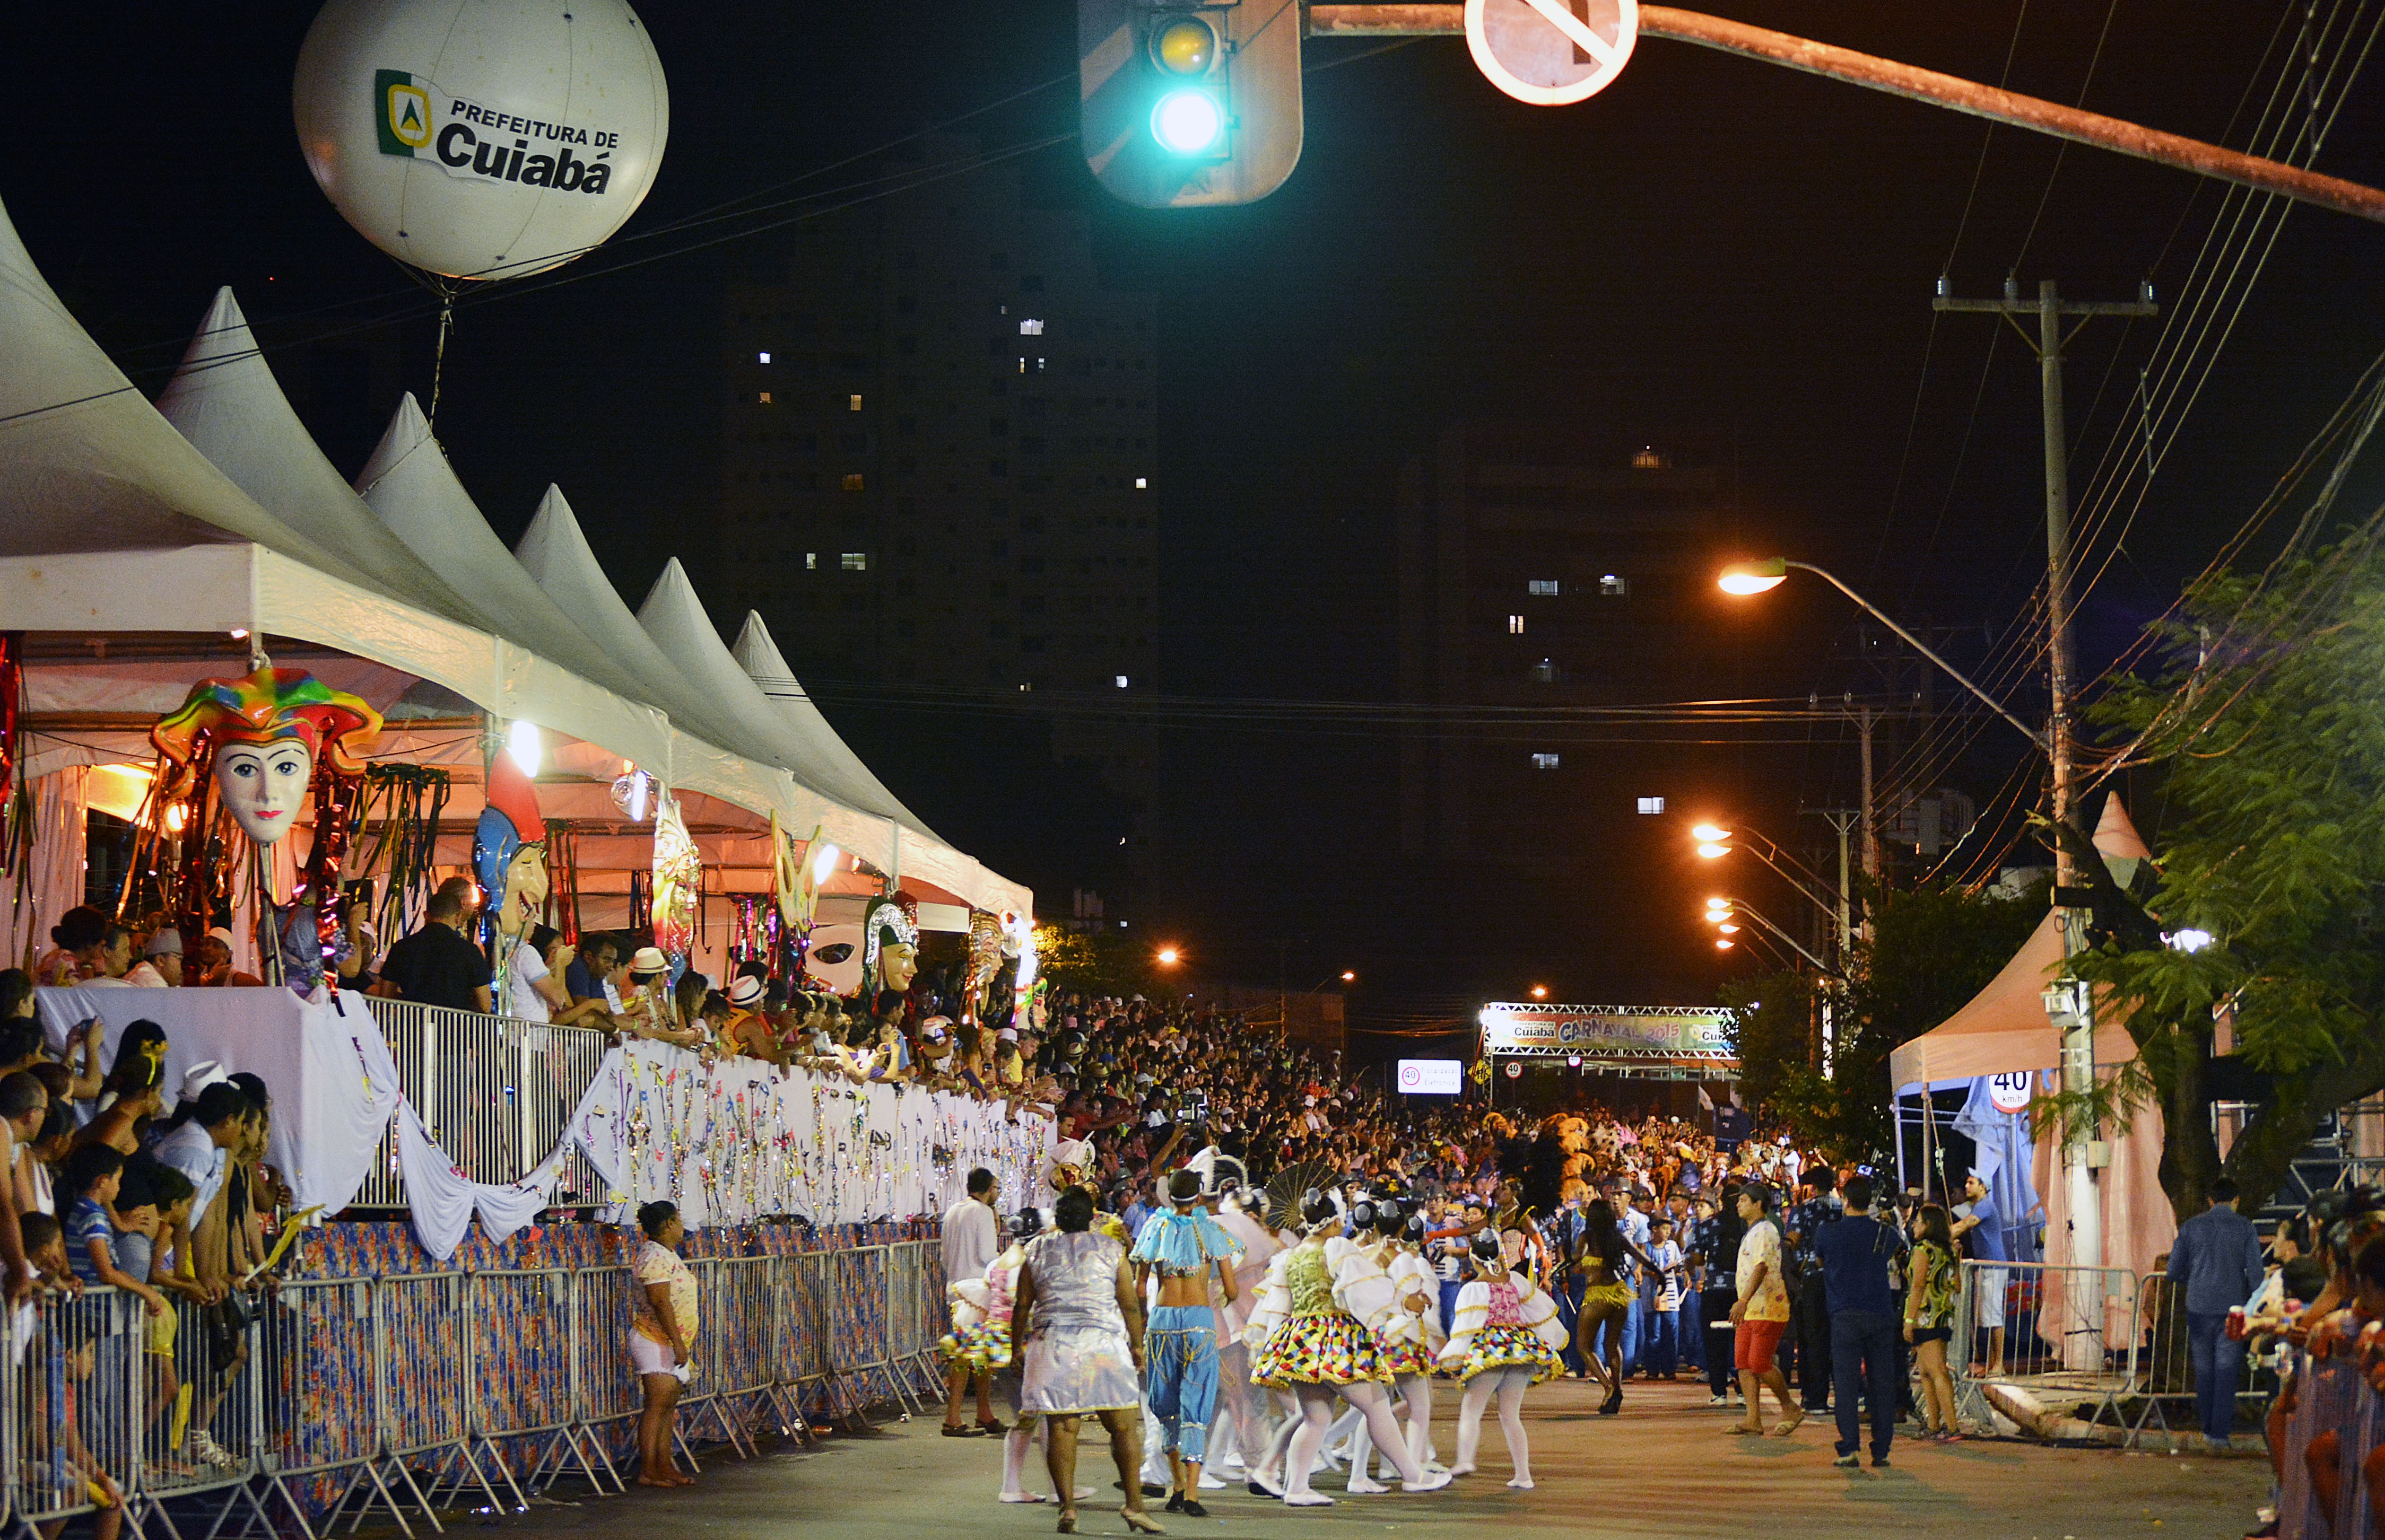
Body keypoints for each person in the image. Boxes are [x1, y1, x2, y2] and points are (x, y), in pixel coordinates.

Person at [1243, 1190, 1452, 1506]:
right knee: (1377, 1404)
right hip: (1334, 1337)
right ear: (1336, 1221)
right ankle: (1413, 1475)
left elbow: (1278, 1305)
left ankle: (1297, 1488)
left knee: (1316, 1417)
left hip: (1299, 1339)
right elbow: (1363, 1291)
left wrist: (1271, 1347)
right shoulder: (1337, 1247)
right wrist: (1404, 1304)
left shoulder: (1292, 1255)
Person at [1011, 1185, 1162, 1535]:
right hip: (1103, 1346)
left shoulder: (1035, 1250)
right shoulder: (1111, 1249)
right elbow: (1127, 1303)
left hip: (1055, 1346)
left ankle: (1067, 1508)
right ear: (1092, 1216)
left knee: (1063, 1427)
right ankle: (1135, 1505)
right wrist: (1137, 1345)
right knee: (1123, 1426)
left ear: (1059, 1219)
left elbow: (1022, 1305)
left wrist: (1016, 1346)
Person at [1130, 1168, 1242, 1515]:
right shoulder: (1210, 1230)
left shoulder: (1155, 1227)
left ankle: (1176, 1485)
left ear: (1170, 1197)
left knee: (1166, 1406)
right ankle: (1192, 1493)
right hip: (1198, 1322)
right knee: (1196, 1403)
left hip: (1162, 1322)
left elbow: (1138, 1287)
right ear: (1198, 1197)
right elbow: (1232, 1289)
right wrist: (1220, 1298)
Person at [1438, 1229, 1568, 1489]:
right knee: (1510, 1415)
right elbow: (1537, 1313)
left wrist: (1455, 1357)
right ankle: (1524, 1475)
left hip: (1491, 1350)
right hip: (1520, 1349)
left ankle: (1465, 1460)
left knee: (1471, 1409)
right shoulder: (1515, 1280)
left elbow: (1466, 1327)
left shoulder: (1472, 1289)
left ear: (1474, 1259)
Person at [1811, 1174, 1905, 1469]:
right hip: (1880, 1312)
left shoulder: (1827, 1231)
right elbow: (1900, 1253)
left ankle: (1850, 1447)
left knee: (1846, 1384)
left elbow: (1820, 1262)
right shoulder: (1884, 1233)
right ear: (1871, 1202)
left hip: (1844, 1314)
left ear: (1846, 1201)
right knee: (1882, 1383)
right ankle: (1882, 1450)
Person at [2164, 1177, 2265, 1452]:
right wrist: (2257, 1302)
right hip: (2232, 1309)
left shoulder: (2191, 1227)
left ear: (2210, 1200)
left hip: (2198, 1306)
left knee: (2204, 1369)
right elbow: (2256, 1273)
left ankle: (2207, 1426)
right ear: (2236, 1201)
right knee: (2227, 1370)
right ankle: (2219, 1434)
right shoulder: (2244, 1227)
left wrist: (2194, 1280)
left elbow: (2173, 1271)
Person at [1569, 1197, 1658, 1414]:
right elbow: (1641, 1257)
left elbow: (1575, 1259)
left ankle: (1609, 1386)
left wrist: (1579, 1264)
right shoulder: (1617, 1237)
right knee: (1612, 1346)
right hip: (1619, 1296)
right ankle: (1616, 1390)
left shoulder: (1586, 1237)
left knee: (1584, 1347)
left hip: (1597, 1296)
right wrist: (1661, 1274)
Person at [631, 1200, 697, 1488]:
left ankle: (664, 1464)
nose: (682, 1226)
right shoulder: (653, 1257)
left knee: (668, 1406)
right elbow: (660, 1301)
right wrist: (677, 1343)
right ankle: (649, 1469)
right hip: (655, 1339)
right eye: (679, 1220)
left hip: (669, 1340)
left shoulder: (667, 1255)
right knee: (657, 1405)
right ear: (669, 1224)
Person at [1726, 1183, 1797, 1437]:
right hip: (1750, 1308)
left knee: (1759, 1362)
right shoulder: (1752, 1231)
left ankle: (1790, 1407)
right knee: (1743, 1363)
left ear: (1758, 1204)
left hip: (1768, 1306)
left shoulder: (1766, 1230)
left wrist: (1743, 1299)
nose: (1738, 1204)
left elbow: (1762, 1266)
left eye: (1744, 1200)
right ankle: (1753, 1420)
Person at [943, 1167, 1005, 1437]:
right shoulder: (982, 1213)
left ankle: (984, 1412)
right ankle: (953, 1418)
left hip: (956, 1287)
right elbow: (988, 1255)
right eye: (997, 1188)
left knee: (980, 1357)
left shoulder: (953, 1211)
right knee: (966, 1357)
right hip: (976, 1292)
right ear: (988, 1189)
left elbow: (945, 1257)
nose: (998, 1194)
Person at [375, 879, 493, 1013]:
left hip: (412, 1026)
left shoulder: (401, 948)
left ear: (426, 915)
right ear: (457, 917)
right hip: (455, 1028)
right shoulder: (469, 951)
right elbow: (485, 1005)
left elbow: (385, 997)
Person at [1903, 1202, 1961, 1440]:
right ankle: (1934, 1425)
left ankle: (1952, 1427)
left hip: (1926, 1317)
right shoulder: (1947, 1251)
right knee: (1926, 1372)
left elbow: (1917, 1286)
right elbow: (1957, 1285)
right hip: (1943, 1316)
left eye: (1918, 1221)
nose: (1914, 1225)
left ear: (1928, 1225)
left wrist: (1909, 1319)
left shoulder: (1923, 1250)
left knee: (1937, 1372)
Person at [1785, 1165, 1840, 1413]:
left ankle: (1812, 1397)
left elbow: (1791, 1241)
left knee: (1810, 1339)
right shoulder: (1843, 1208)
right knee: (1836, 1339)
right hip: (1840, 1279)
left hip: (1811, 1279)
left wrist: (1790, 1273)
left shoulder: (1805, 1209)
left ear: (1813, 1186)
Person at [1950, 1171, 2007, 1377]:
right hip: (1986, 1268)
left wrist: (1943, 1234)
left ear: (1983, 1187)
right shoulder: (1979, 1206)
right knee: (1987, 1317)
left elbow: (1966, 1225)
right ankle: (1993, 1363)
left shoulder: (1985, 1206)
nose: (1967, 1186)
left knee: (1993, 1316)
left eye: (1971, 1182)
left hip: (1993, 1267)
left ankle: (1998, 1364)